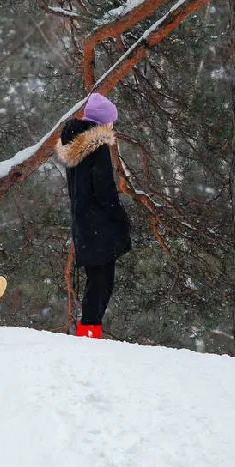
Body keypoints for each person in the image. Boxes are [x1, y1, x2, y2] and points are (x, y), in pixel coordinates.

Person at [54, 92, 131, 339]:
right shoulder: (97, 148)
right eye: (110, 121)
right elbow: (105, 190)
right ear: (102, 122)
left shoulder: (75, 145)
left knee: (95, 280)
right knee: (101, 282)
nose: (112, 126)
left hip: (84, 224)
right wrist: (120, 217)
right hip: (99, 225)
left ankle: (89, 331)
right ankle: (89, 333)